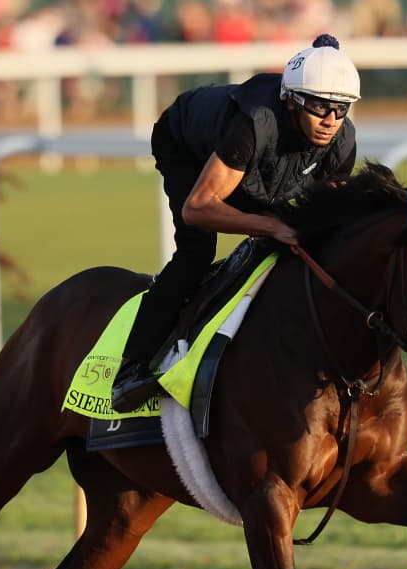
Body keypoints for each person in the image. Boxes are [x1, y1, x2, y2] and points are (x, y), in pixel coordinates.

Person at [110, 33, 361, 413]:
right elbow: (197, 208)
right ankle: (131, 368)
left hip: (254, 168)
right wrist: (270, 226)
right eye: (321, 107)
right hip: (187, 145)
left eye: (341, 110)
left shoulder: (341, 141)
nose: (331, 121)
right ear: (292, 101)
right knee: (198, 251)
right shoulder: (254, 125)